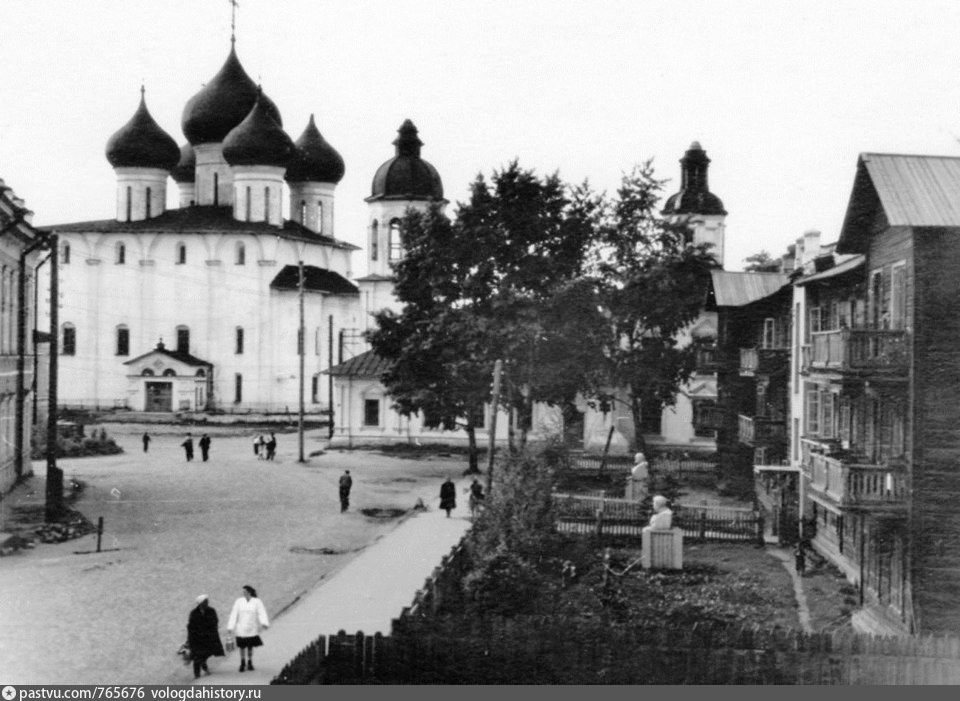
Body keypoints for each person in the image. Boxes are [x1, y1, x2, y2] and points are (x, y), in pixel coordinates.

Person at [227, 585, 269, 673]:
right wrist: (230, 626)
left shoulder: (257, 602)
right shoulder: (239, 601)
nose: (244, 593)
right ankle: (242, 662)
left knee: (250, 647)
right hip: (241, 627)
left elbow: (261, 612)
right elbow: (234, 614)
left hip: (252, 627)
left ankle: (250, 662)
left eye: (245, 592)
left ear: (249, 592)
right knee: (242, 647)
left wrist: (264, 623)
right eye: (243, 592)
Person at [186, 595, 225, 679]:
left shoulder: (211, 611)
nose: (207, 603)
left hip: (209, 637)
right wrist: (189, 639)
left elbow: (215, 621)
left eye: (207, 601)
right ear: (200, 603)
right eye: (205, 601)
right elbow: (191, 626)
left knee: (207, 653)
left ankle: (204, 665)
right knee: (196, 656)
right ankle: (197, 675)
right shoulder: (194, 613)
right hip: (196, 638)